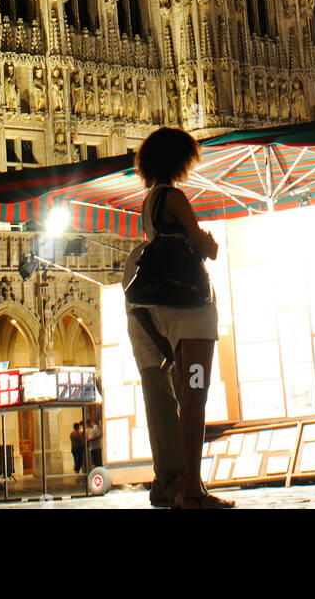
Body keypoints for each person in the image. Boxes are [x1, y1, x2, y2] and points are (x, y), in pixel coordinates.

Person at [135, 125, 233, 509]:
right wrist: (207, 240)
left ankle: (194, 487)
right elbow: (204, 245)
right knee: (196, 395)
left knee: (192, 396)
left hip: (174, 318)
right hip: (194, 315)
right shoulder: (173, 197)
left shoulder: (150, 200)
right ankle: (193, 491)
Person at [122, 242, 185, 508]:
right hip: (152, 349)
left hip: (176, 345)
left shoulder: (179, 251)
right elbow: (136, 305)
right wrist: (163, 346)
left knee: (183, 410)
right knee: (164, 415)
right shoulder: (140, 255)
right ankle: (175, 485)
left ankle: (164, 484)